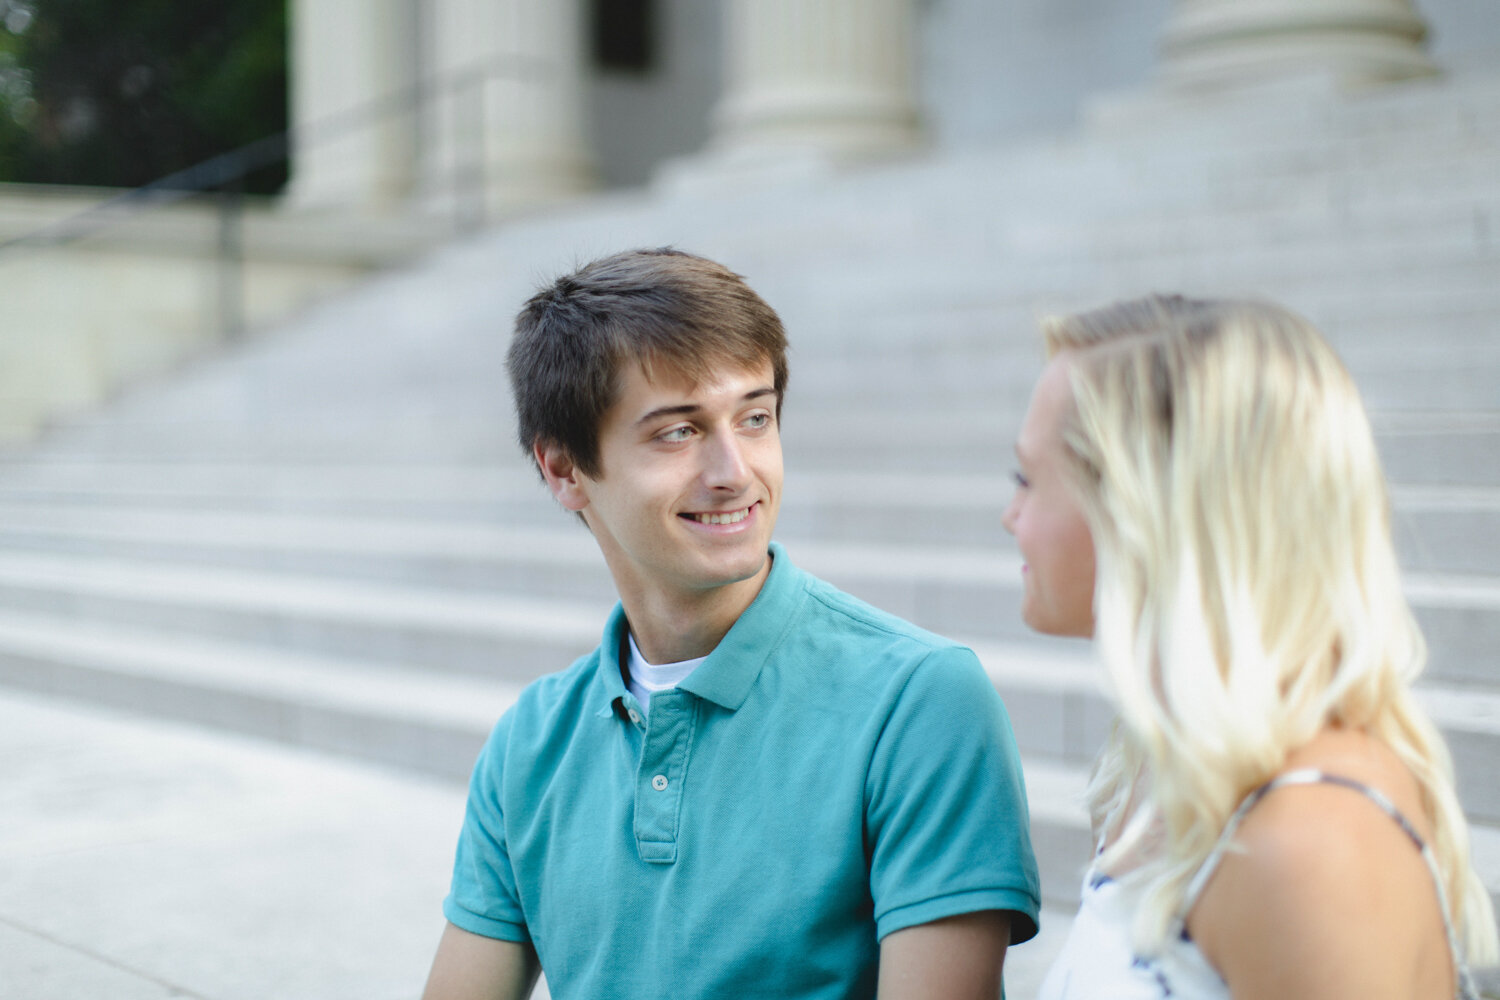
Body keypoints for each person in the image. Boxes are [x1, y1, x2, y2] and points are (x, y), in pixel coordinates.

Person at [422, 248, 1040, 1000]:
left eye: (755, 418)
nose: (735, 470)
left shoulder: (919, 701)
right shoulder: (530, 739)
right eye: (678, 432)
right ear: (563, 470)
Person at [1002, 294, 1499, 999]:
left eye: (1026, 477)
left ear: (1146, 508)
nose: (1009, 515)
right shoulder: (1152, 769)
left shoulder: (1314, 845)